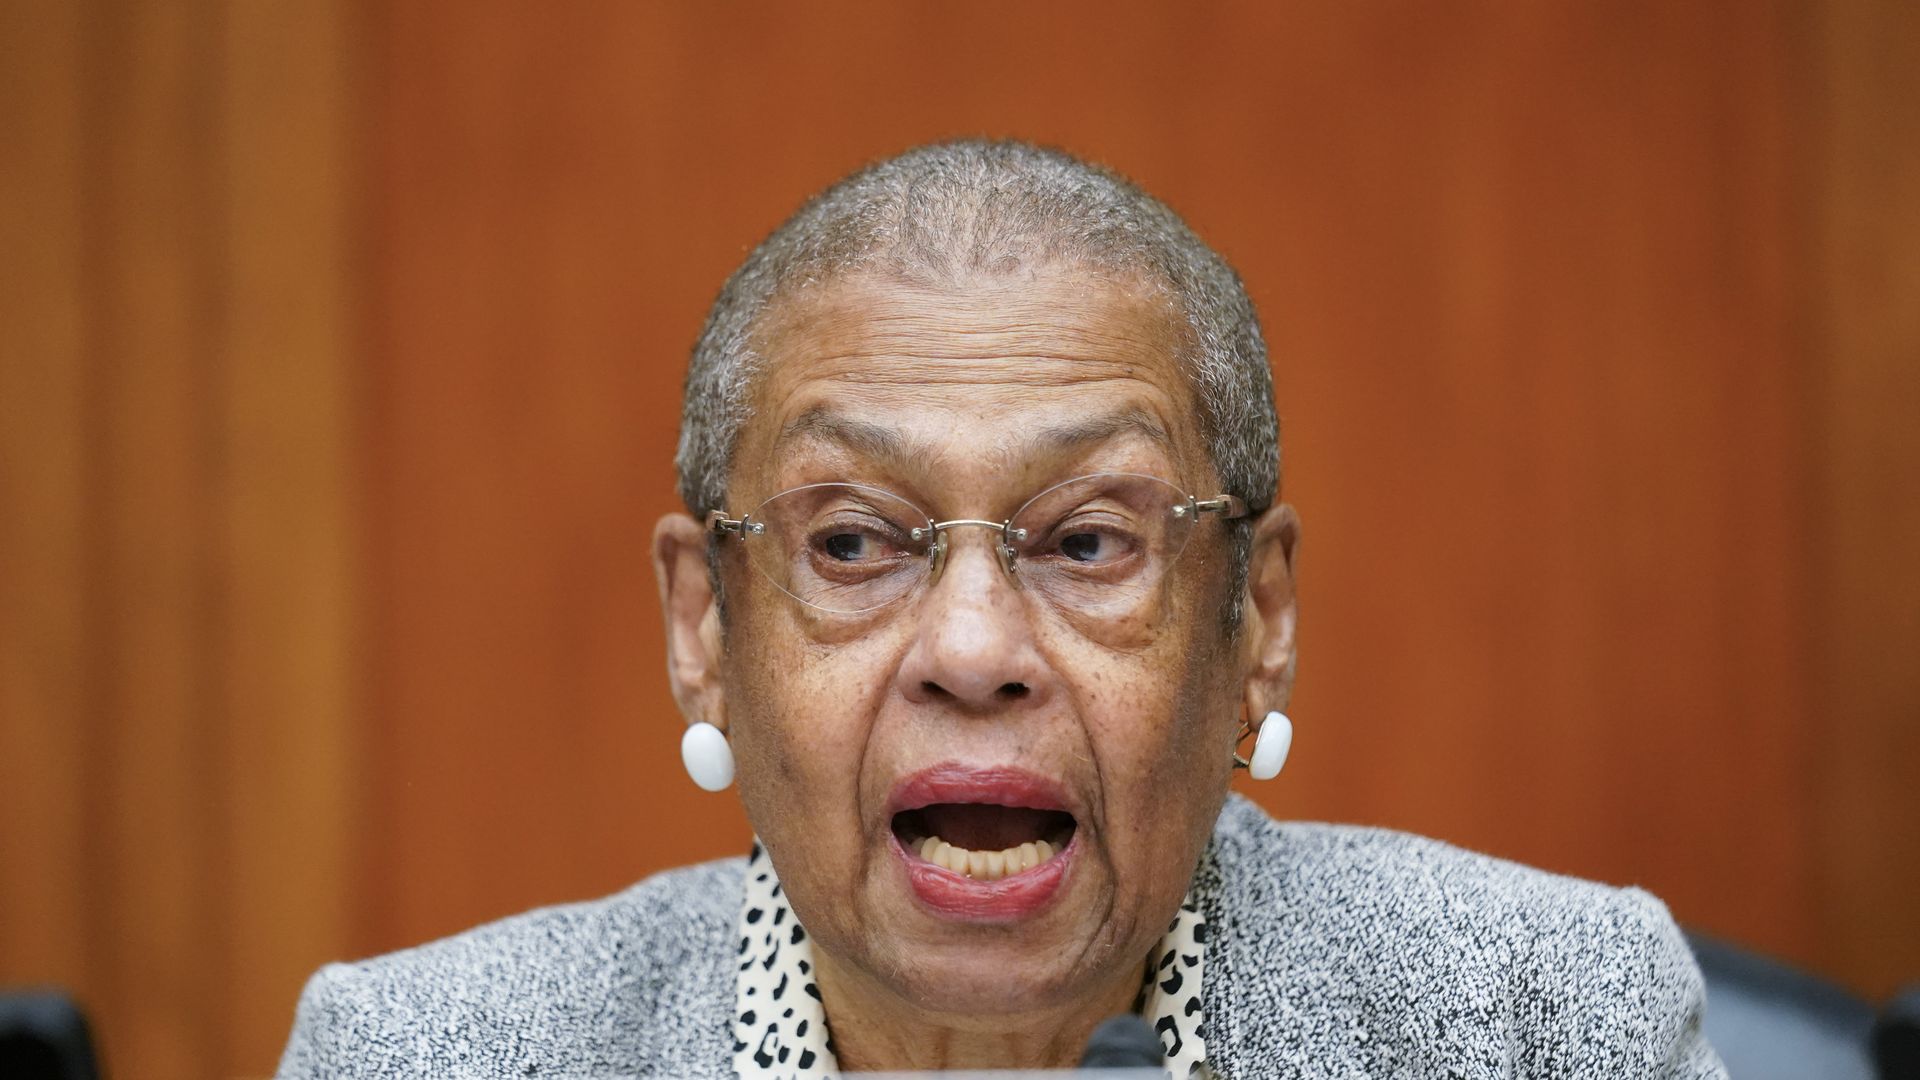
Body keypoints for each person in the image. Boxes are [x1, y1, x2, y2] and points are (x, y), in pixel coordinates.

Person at [278, 140, 1726, 1078]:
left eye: (1088, 540)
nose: (974, 652)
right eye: (852, 542)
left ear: (1258, 621)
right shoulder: (422, 1056)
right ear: (705, 630)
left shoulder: (1551, 1023)